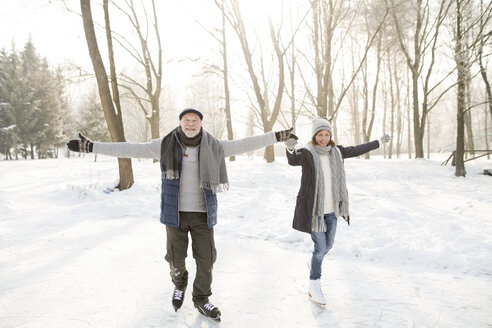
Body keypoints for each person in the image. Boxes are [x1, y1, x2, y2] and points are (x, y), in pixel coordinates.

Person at [67, 108, 294, 321]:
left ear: (201, 124)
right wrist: (93, 146)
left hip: (203, 215)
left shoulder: (215, 146)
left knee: (206, 260)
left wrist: (277, 136)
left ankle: (201, 299)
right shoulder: (165, 144)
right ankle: (179, 283)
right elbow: (129, 148)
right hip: (174, 214)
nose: (191, 124)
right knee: (176, 259)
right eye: (187, 120)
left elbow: (246, 143)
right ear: (180, 123)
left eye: (195, 121)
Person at [283, 117, 389, 306]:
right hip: (315, 213)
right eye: (320, 135)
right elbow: (293, 160)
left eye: (326, 134)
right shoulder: (307, 153)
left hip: (332, 211)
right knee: (320, 248)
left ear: (330, 136)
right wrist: (290, 146)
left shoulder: (337, 152)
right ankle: (314, 284)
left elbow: (358, 149)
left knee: (328, 245)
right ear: (314, 136)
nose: (323, 138)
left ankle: (315, 261)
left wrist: (378, 142)